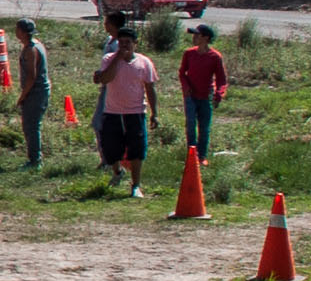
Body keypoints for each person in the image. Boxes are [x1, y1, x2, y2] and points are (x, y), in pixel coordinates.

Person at [97, 30, 164, 199]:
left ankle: (136, 185)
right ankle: (117, 172)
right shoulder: (109, 59)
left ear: (135, 44)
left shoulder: (144, 62)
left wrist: (155, 113)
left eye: (128, 42)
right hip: (112, 111)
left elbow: (150, 88)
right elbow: (105, 79)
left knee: (137, 149)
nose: (124, 45)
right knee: (111, 148)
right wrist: (117, 59)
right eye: (121, 42)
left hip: (135, 112)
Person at [179, 21, 229, 158]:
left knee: (204, 128)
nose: (194, 37)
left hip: (206, 96)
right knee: (190, 125)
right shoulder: (189, 53)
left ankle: (202, 156)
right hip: (190, 95)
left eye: (197, 35)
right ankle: (191, 155)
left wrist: (219, 95)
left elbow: (221, 79)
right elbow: (182, 73)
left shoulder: (215, 57)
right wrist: (186, 87)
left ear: (206, 38)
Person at [14, 17, 51, 168]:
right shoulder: (37, 44)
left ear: (22, 32)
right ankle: (35, 158)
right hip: (39, 91)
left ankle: (35, 161)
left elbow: (31, 77)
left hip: (35, 93)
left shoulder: (30, 50)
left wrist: (22, 96)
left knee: (31, 126)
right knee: (31, 125)